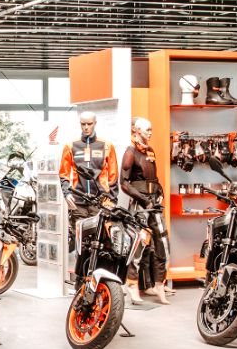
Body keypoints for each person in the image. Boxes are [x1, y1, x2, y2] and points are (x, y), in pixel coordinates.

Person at [121, 117, 171, 302]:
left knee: (162, 243)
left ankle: (159, 284)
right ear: (137, 131)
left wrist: (160, 192)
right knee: (139, 244)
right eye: (147, 129)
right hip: (139, 206)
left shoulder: (150, 150)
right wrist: (143, 200)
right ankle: (132, 284)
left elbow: (154, 177)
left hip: (153, 204)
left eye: (151, 129)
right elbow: (124, 183)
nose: (150, 132)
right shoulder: (130, 152)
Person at [59, 112, 117, 246]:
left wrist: (112, 200)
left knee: (100, 241)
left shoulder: (107, 145)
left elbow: (113, 176)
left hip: (100, 201)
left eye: (89, 124)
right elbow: (63, 173)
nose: (86, 127)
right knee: (81, 242)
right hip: (78, 201)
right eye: (83, 124)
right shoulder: (70, 146)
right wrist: (67, 193)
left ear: (95, 123)